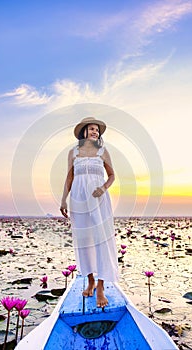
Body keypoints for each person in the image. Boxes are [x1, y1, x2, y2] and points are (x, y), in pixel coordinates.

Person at [60, 117, 119, 308]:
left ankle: (101, 286)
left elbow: (111, 175)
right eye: (92, 129)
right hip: (77, 198)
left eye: (97, 130)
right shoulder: (73, 152)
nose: (95, 132)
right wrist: (63, 199)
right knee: (84, 240)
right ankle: (91, 279)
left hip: (98, 198)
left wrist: (103, 188)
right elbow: (69, 178)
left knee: (101, 239)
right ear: (83, 131)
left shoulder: (103, 151)